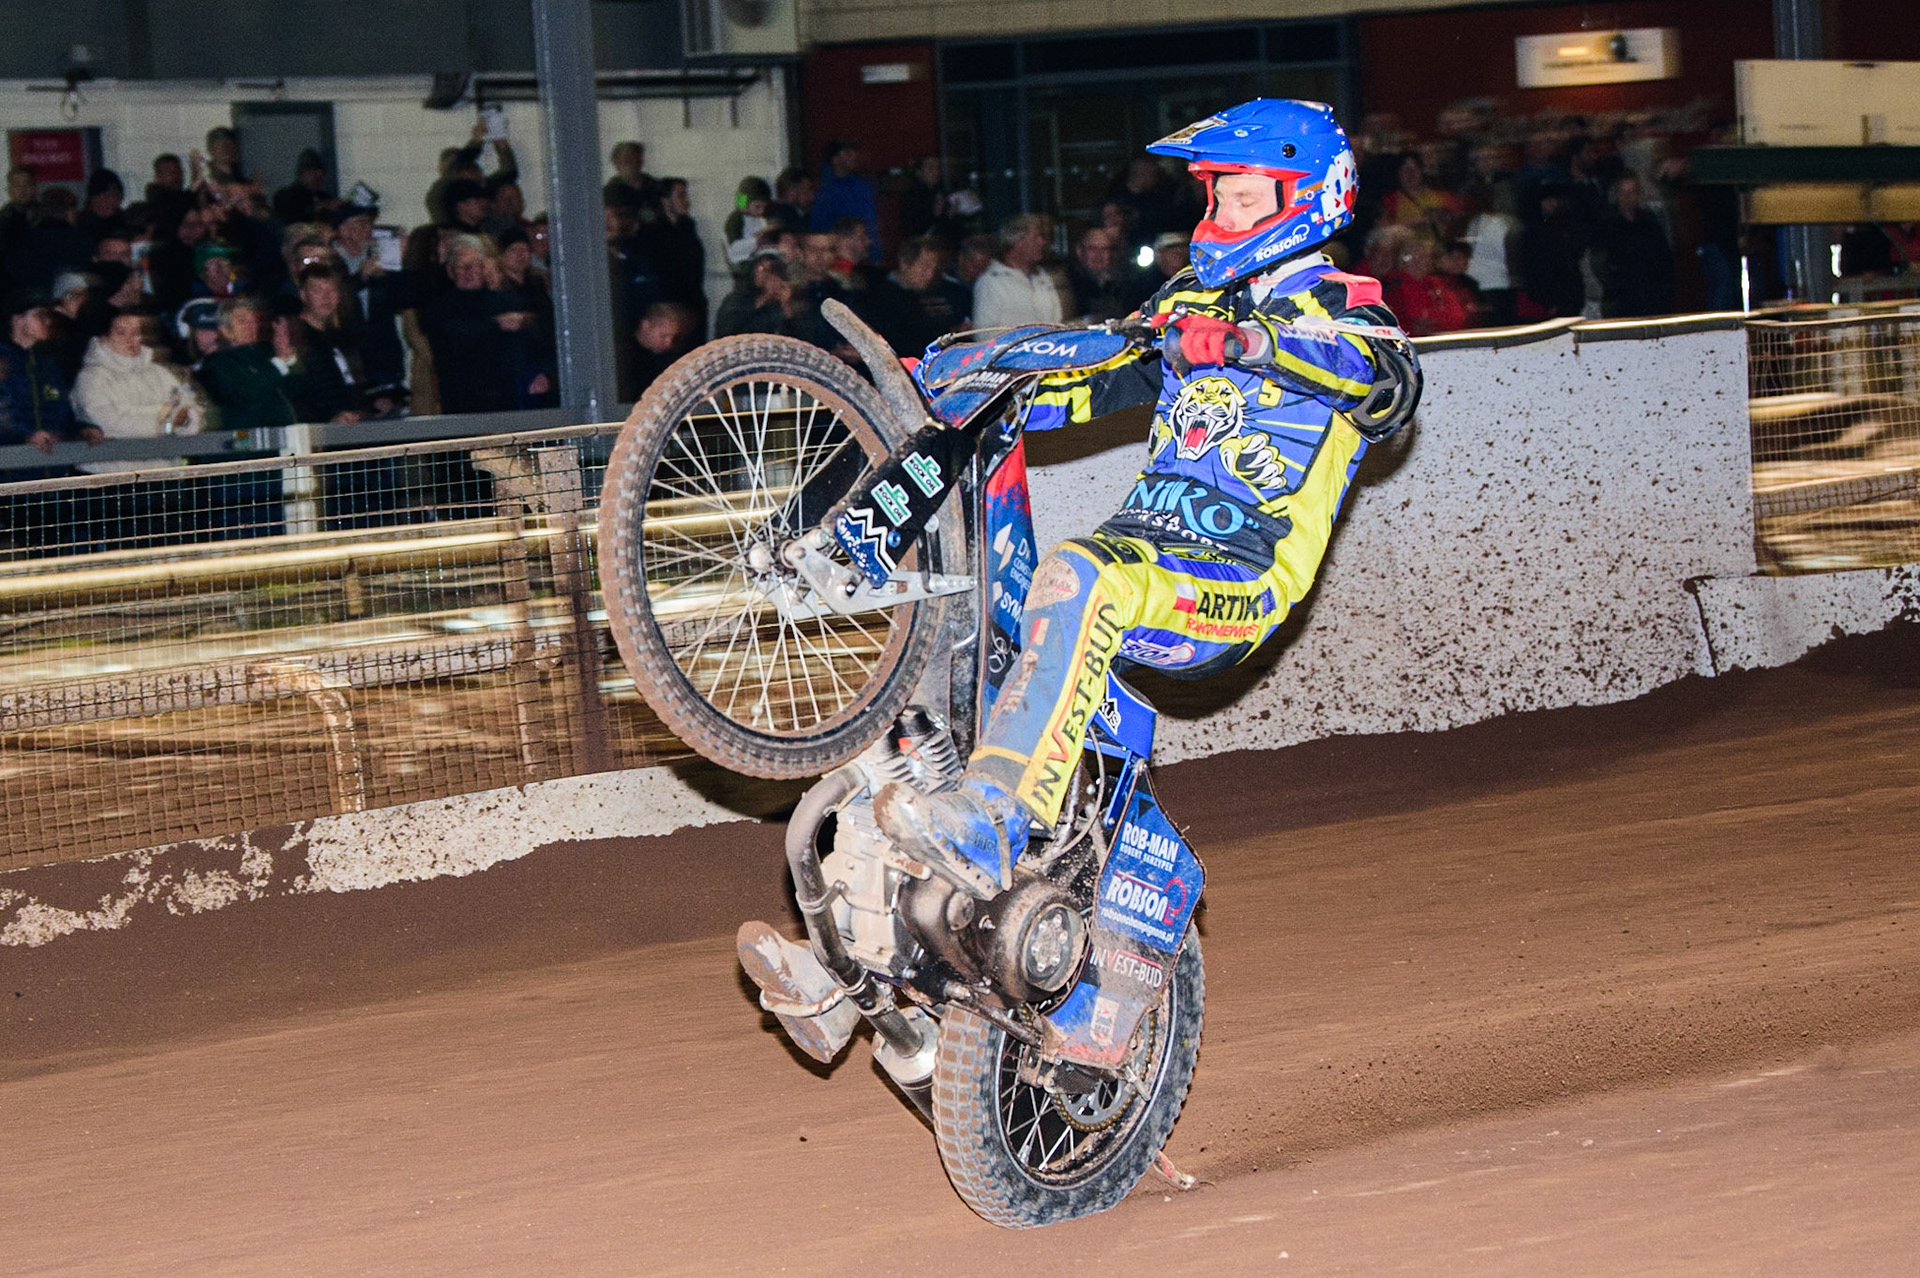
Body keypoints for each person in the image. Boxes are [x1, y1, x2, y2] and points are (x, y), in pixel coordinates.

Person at [862, 99, 1420, 915]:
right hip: (1142, 552)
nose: (1221, 215)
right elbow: (1092, 383)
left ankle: (993, 822)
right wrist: (969, 385)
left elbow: (1389, 387)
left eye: (1243, 199)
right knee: (967, 617)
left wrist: (1254, 344)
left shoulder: (1344, 307)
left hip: (1237, 577)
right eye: (1216, 196)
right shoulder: (1193, 300)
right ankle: (882, 872)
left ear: (1305, 200)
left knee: (1080, 574)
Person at [72, 308, 204, 474]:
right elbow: (112, 423)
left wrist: (184, 422)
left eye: (135, 333)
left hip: (163, 473)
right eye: (121, 333)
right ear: (103, 338)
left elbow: (189, 408)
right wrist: (167, 416)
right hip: (111, 474)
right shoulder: (91, 378)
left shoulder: (159, 373)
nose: (130, 339)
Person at [195, 297, 296, 434]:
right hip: (244, 439)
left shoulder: (265, 353)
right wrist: (280, 363)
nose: (251, 327)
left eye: (253, 321)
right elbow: (246, 394)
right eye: (242, 321)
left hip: (283, 434)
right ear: (225, 330)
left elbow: (297, 391)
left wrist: (289, 358)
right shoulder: (216, 364)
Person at [853, 235, 949, 357]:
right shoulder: (880, 298)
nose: (930, 274)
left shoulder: (932, 292)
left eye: (934, 268)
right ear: (904, 264)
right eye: (925, 266)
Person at [972, 214, 1062, 329]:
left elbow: (1057, 322)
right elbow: (984, 333)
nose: (1042, 242)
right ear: (1018, 241)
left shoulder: (1042, 278)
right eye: (1036, 237)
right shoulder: (991, 282)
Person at [808, 140, 879, 261]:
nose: (854, 156)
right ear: (835, 159)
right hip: (836, 258)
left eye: (854, 152)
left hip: (865, 254)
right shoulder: (824, 190)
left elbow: (871, 222)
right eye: (847, 152)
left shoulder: (862, 185)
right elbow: (819, 229)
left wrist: (875, 253)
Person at [1065, 226, 1133, 323]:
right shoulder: (1068, 283)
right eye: (1093, 248)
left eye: (1104, 249)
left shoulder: (1121, 284)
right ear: (1079, 251)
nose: (1099, 254)